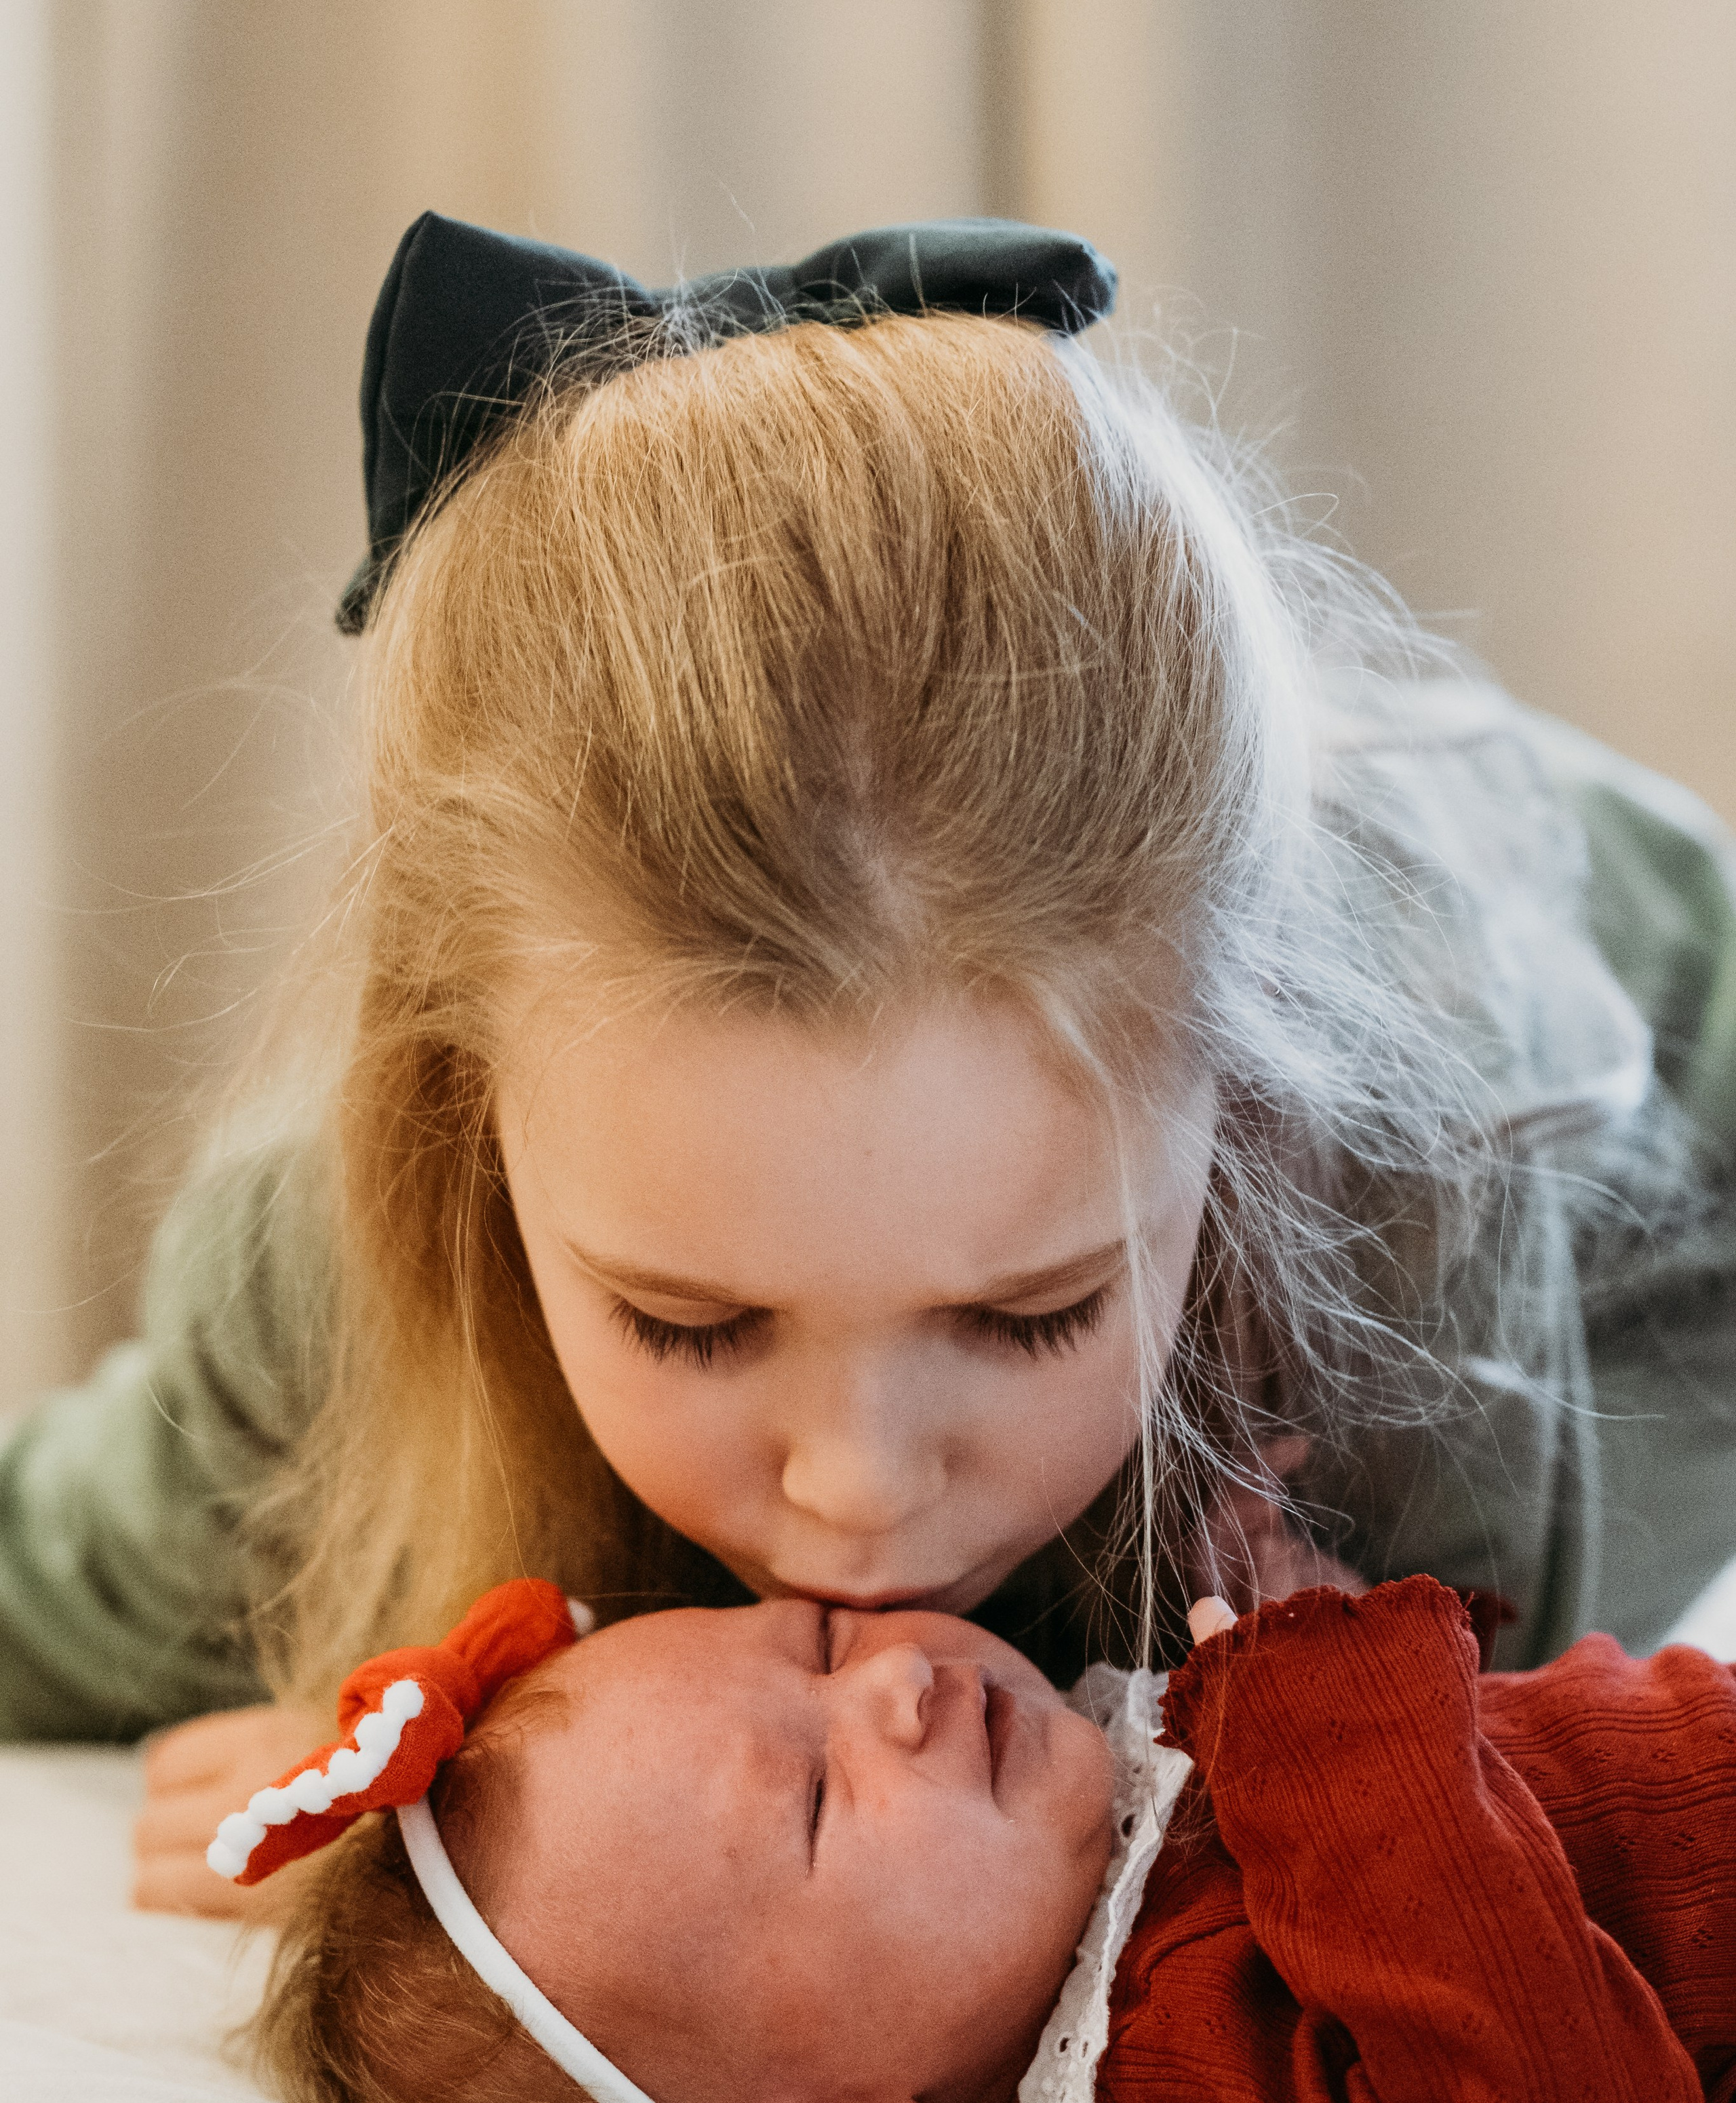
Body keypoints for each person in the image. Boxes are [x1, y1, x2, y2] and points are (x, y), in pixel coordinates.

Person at [0, 213, 1731, 1917]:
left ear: (1233, 1111)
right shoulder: (319, 1301)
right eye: (689, 1323)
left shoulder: (1418, 1241)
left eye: (1028, 1313)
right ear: (466, 1126)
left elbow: (1499, 1913)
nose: (862, 1486)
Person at [232, 1569, 1736, 2103]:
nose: (893, 1678)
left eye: (815, 1639)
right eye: (819, 1798)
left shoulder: (1104, 1840)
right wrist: (1342, 1709)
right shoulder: (1168, 2062)